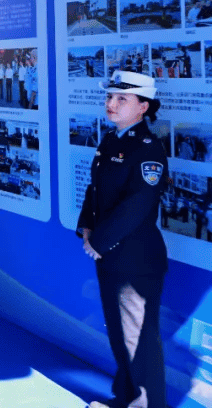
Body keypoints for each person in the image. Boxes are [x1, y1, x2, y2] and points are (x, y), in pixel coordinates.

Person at [78, 71, 169, 408]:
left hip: (134, 260)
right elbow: (95, 191)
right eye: (110, 97)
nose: (111, 104)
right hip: (111, 256)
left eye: (121, 99)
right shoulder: (111, 141)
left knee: (137, 340)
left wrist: (98, 242)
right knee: (119, 334)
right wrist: (87, 227)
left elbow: (137, 205)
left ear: (143, 106)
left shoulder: (147, 149)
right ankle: (126, 398)